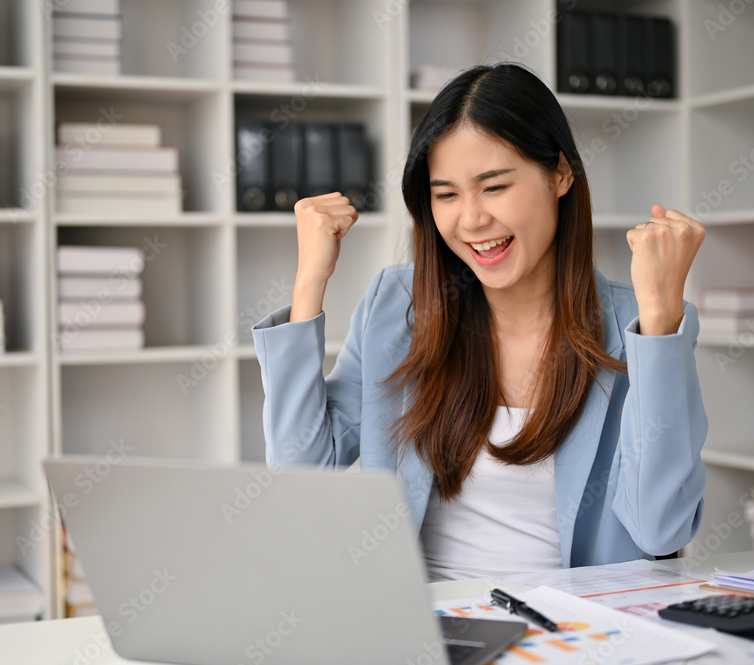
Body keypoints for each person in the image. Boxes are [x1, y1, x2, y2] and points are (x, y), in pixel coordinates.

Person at [252, 63, 707, 581]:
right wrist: (309, 282)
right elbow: (300, 469)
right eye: (446, 194)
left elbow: (660, 530)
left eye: (493, 187)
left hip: (576, 632)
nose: (470, 220)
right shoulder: (396, 308)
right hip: (419, 626)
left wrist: (662, 319)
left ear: (560, 173)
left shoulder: (640, 326)